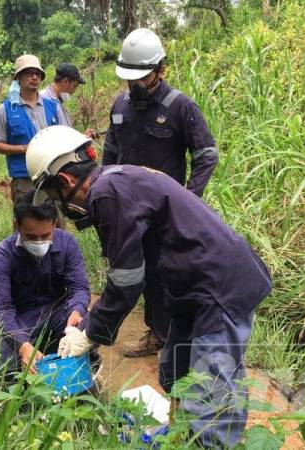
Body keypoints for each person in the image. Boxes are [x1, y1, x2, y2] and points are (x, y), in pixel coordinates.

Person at [25, 126, 272, 448]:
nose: (59, 206)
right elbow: (138, 270)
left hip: (218, 287)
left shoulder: (106, 194)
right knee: (175, 372)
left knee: (212, 398)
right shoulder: (118, 179)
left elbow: (126, 279)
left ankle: (209, 442)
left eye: (54, 195)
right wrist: (89, 327)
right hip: (189, 288)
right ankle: (181, 436)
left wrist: (89, 333)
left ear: (66, 182)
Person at [102, 28, 218, 358]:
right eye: (129, 79)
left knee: (163, 274)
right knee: (132, 272)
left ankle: (169, 337)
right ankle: (155, 332)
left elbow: (206, 155)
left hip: (164, 213)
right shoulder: (120, 106)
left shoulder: (179, 106)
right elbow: (111, 154)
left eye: (141, 78)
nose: (134, 85)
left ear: (160, 70)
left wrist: (189, 199)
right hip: (126, 210)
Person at [0, 190, 90, 378]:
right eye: (31, 236)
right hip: (22, 319)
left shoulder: (67, 243)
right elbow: (1, 308)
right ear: (16, 225)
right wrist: (22, 345)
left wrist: (76, 311)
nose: (39, 242)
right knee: (5, 370)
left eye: (46, 235)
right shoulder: (2, 256)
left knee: (87, 336)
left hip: (60, 313)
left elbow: (79, 287)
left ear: (55, 224)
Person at [0, 55, 59, 205]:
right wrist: (23, 148)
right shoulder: (6, 109)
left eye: (37, 74)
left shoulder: (52, 106)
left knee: (55, 221)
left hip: (52, 176)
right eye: (29, 73)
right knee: (26, 223)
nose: (34, 77)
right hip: (23, 178)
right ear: (18, 78)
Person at [40, 63, 86, 128]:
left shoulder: (62, 99)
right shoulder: (44, 100)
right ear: (65, 81)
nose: (75, 89)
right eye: (75, 86)